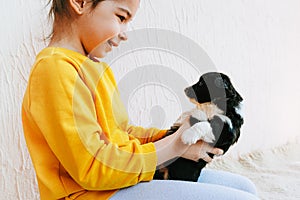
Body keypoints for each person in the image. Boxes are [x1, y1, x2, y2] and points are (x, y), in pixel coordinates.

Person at [21, 0, 259, 199]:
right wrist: (172, 147)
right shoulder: (53, 69)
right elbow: (92, 167)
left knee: (245, 188)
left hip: (121, 182)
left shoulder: (98, 69)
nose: (125, 34)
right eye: (121, 17)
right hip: (90, 194)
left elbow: (123, 133)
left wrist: (173, 138)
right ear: (80, 2)